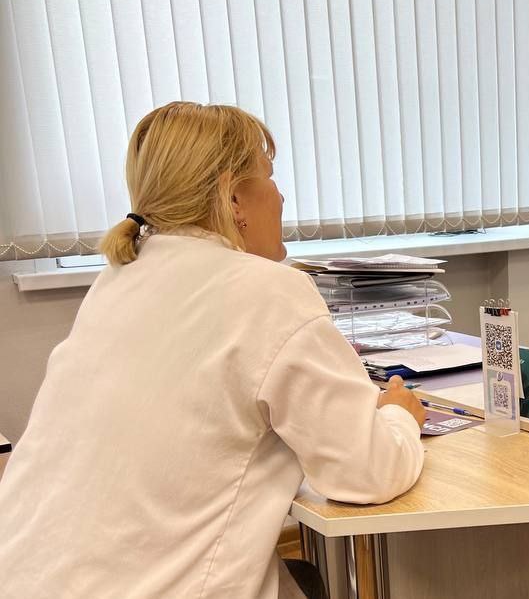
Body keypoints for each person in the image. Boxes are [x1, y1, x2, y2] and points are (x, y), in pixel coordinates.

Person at [0, 102, 426, 599]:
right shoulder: (267, 291)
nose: (281, 195)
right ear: (234, 197)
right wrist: (399, 417)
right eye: (270, 176)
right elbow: (368, 472)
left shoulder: (117, 281)